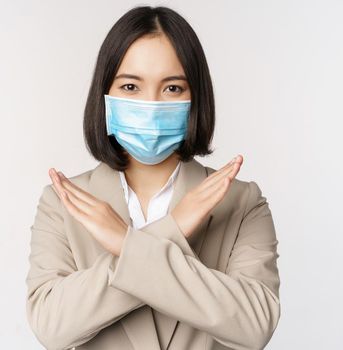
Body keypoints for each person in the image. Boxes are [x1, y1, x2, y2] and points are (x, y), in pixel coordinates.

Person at [25, 6, 281, 350]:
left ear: (195, 97)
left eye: (172, 88)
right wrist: (171, 230)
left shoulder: (242, 201)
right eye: (131, 86)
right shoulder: (63, 202)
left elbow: (255, 325)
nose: (151, 104)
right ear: (106, 96)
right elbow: (52, 327)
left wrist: (125, 244)